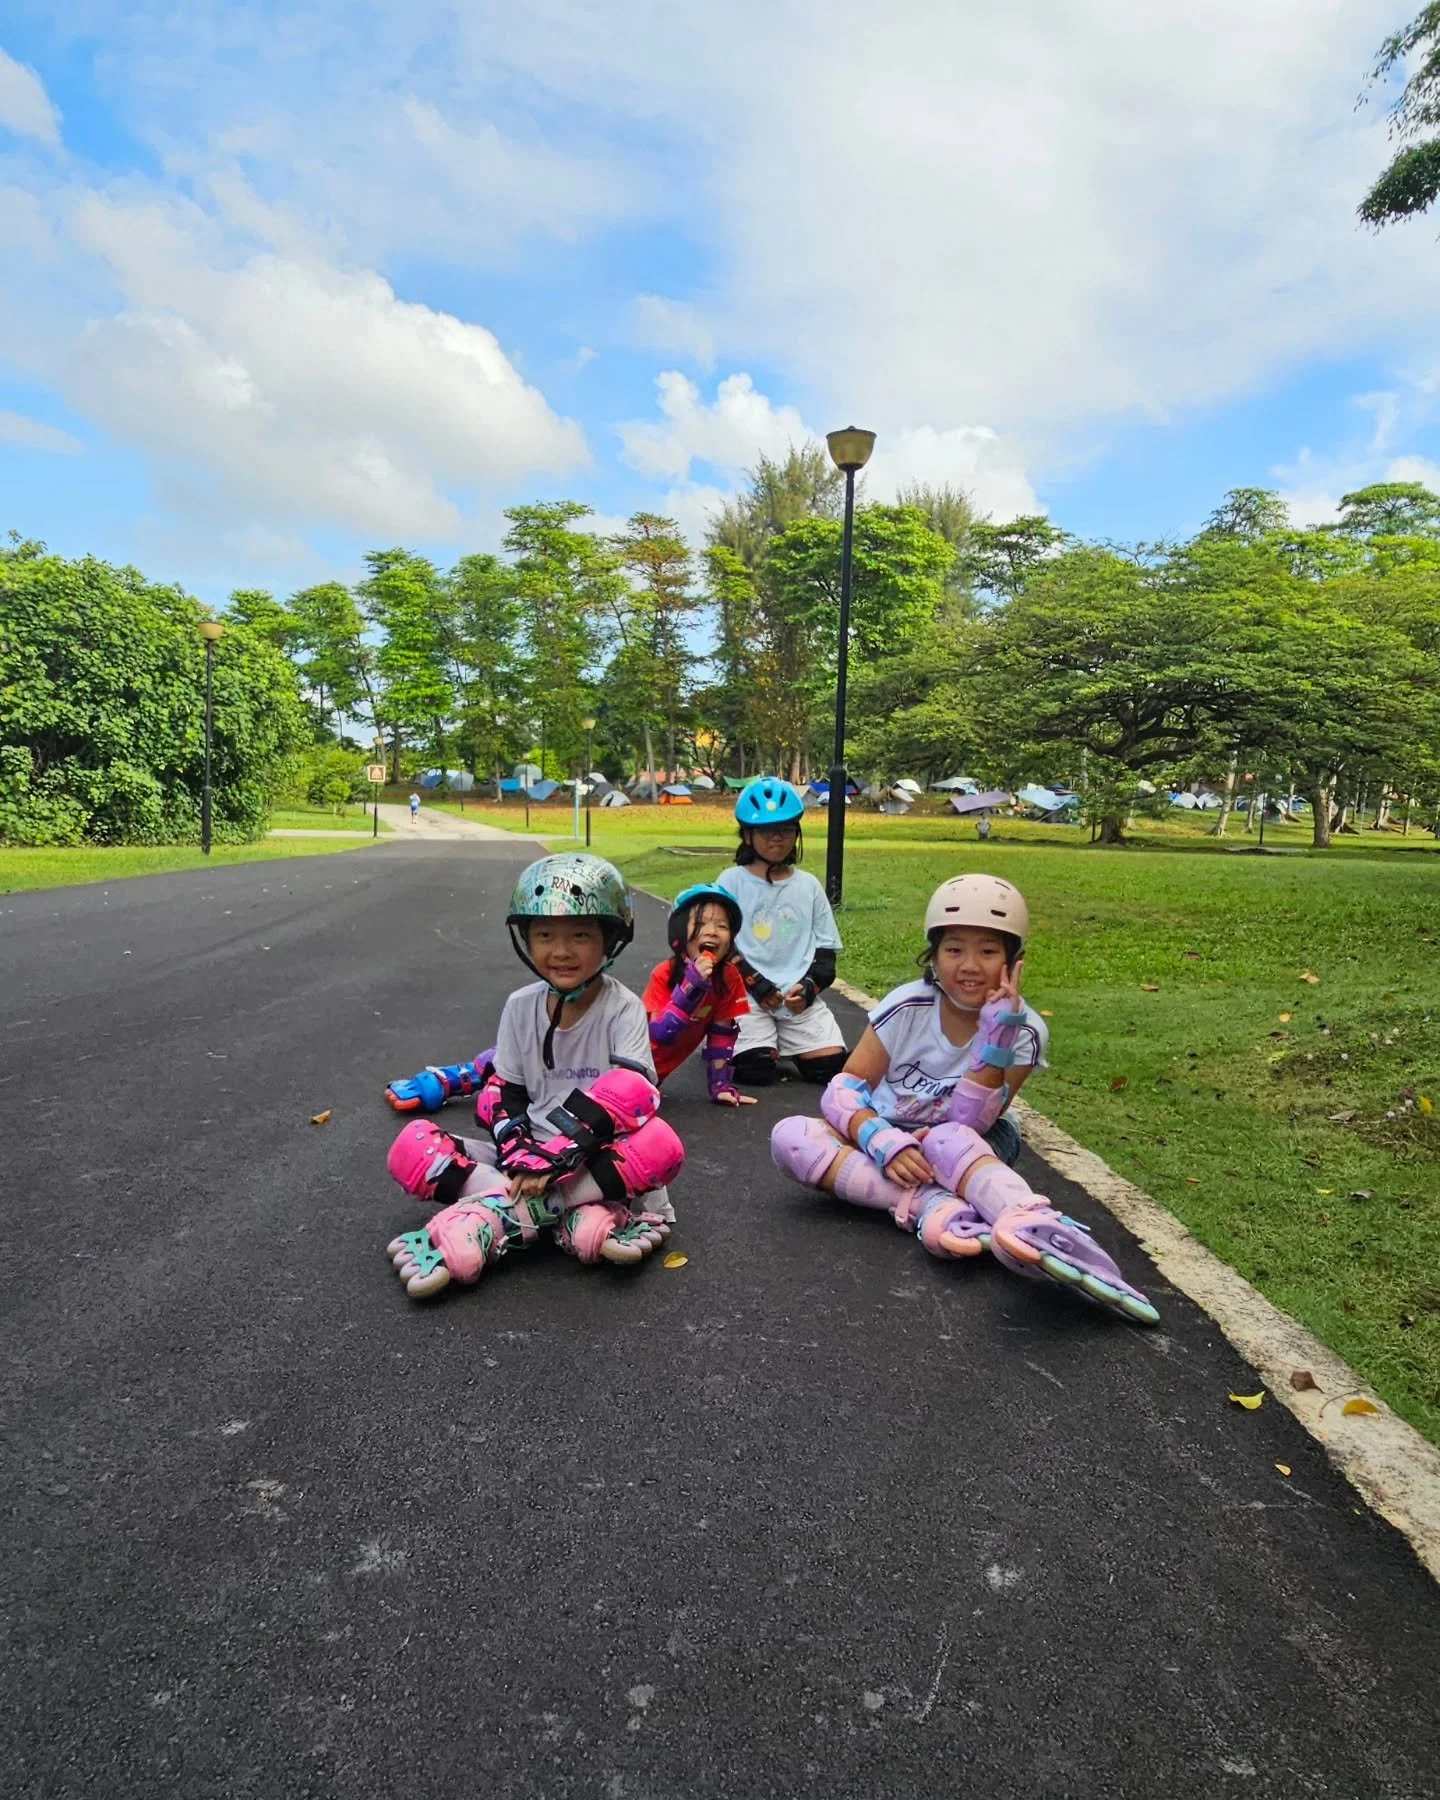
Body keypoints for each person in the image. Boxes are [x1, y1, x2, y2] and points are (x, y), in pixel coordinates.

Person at [769, 873, 1158, 1324]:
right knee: (792, 1139)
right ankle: (933, 1204)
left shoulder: (1027, 1030)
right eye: (954, 950)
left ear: (1013, 961)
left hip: (974, 1141)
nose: (970, 965)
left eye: (988, 952)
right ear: (933, 956)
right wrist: (882, 1140)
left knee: (947, 1139)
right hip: (890, 1137)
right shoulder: (906, 1006)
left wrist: (997, 1036)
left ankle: (1024, 1220)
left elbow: (971, 1122)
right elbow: (844, 1090)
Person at [384, 853, 683, 1299]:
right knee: (412, 1147)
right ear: (526, 940)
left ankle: (495, 1217)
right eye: (544, 935)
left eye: (580, 935)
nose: (560, 951)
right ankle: (566, 1215)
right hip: (522, 1158)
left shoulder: (622, 1008)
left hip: (594, 1160)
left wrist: (556, 1157)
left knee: (660, 1142)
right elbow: (502, 1094)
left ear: (611, 940)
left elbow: (633, 1091)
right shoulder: (519, 1005)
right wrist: (524, 1153)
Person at [713, 778, 848, 1088]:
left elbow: (826, 954)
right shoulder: (731, 882)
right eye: (766, 831)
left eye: (786, 829)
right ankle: (735, 1036)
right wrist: (755, 983)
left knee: (829, 1069)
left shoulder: (808, 886)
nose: (777, 837)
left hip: (794, 999)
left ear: (796, 833)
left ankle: (784, 1041)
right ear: (747, 835)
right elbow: (720, 945)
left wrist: (809, 988)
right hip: (747, 997)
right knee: (755, 1071)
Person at [642, 884, 757, 1106]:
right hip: (629, 1066)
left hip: (654, 1079)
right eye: (700, 923)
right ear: (679, 933)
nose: (712, 931)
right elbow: (662, 1033)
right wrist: (691, 986)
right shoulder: (664, 974)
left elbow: (722, 1033)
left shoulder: (728, 977)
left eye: (722, 926)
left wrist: (720, 1085)